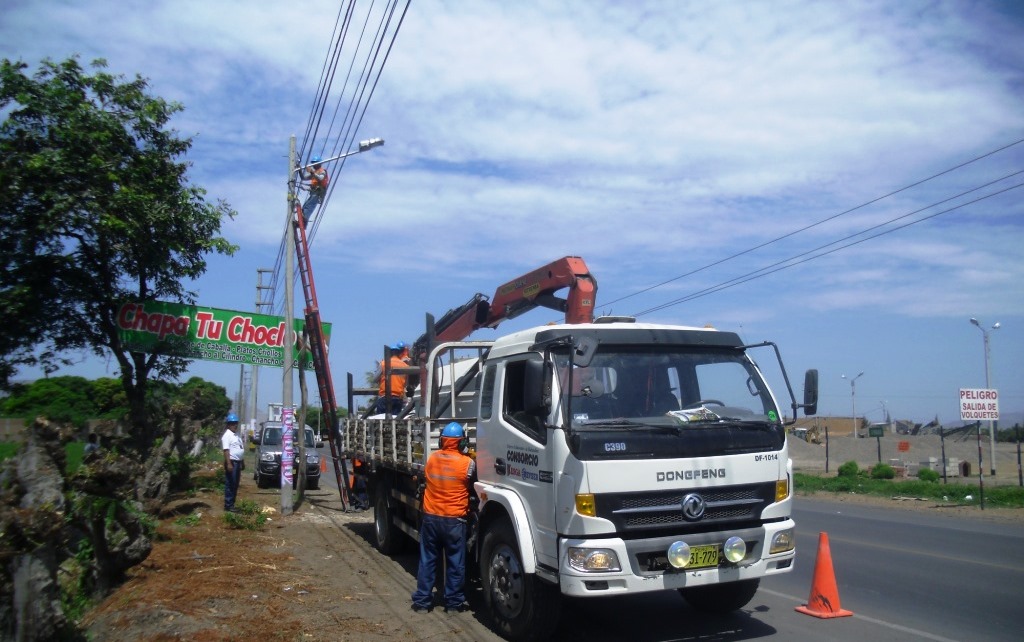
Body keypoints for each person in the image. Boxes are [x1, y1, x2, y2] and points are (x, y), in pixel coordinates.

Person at [411, 421, 476, 613]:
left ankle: (422, 602)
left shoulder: (432, 459)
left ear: (441, 441)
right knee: (455, 563)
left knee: (427, 561)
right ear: (462, 443)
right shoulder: (468, 464)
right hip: (454, 521)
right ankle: (453, 604)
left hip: (431, 518)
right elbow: (473, 483)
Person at [374, 342, 410, 415]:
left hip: (384, 397)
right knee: (396, 419)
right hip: (398, 398)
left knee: (382, 419)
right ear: (399, 353)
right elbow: (405, 383)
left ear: (390, 353)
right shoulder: (405, 366)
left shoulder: (383, 363)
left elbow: (375, 379)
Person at [222, 412, 244, 513]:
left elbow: (239, 448)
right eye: (232, 423)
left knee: (235, 484)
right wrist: (228, 463)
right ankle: (228, 505)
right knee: (230, 483)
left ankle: (232, 504)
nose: (235, 425)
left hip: (238, 462)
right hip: (232, 462)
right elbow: (226, 450)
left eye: (236, 423)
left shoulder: (236, 435)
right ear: (228, 424)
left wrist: (242, 461)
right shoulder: (227, 435)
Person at [299, 155, 329, 226]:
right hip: (314, 192)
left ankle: (304, 221)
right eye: (313, 163)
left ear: (319, 163)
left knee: (309, 206)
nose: (313, 165)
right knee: (305, 207)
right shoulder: (315, 172)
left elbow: (321, 178)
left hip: (318, 193)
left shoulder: (322, 171)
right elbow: (303, 178)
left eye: (315, 163)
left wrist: (312, 172)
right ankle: (302, 222)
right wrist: (299, 169)